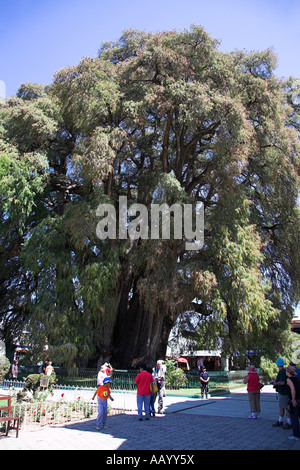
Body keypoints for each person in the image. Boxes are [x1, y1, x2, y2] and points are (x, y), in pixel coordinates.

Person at [272, 358, 292, 429]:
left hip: (283, 392)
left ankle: (288, 422)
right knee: (282, 407)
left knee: (285, 407)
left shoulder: (282, 372)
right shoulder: (284, 371)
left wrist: (276, 383)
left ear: (277, 365)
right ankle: (281, 420)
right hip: (283, 392)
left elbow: (283, 382)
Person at [286, 364, 300, 441]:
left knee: (294, 418)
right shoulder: (297, 379)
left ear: (288, 372)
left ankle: (296, 434)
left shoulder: (289, 379)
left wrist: (293, 399)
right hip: (299, 398)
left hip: (294, 400)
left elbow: (293, 389)